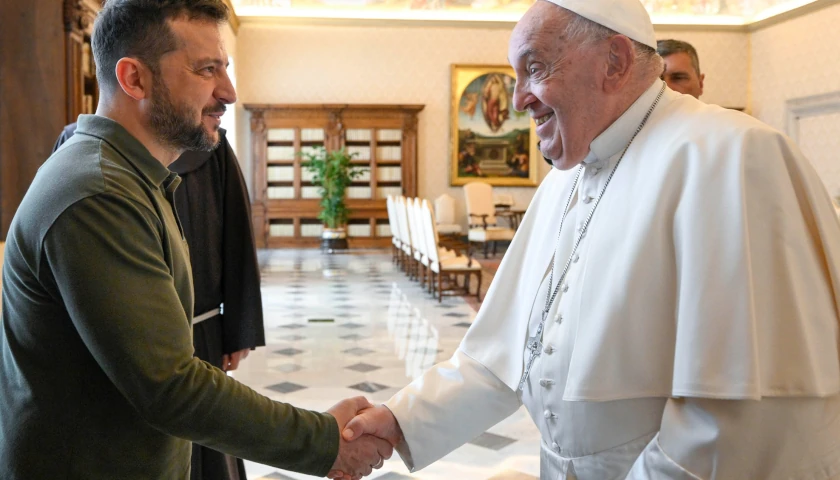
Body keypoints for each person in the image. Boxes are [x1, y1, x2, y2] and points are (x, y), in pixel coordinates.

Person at [336, 0, 840, 478]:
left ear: (614, 62)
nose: (517, 100)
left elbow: (733, 423)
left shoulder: (729, 157)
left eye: (535, 68)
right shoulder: (565, 178)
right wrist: (399, 419)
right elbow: (503, 354)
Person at [0, 1, 391, 479]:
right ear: (134, 79)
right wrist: (323, 441)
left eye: (224, 67)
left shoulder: (131, 178)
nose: (227, 91)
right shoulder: (98, 194)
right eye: (206, 70)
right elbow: (171, 386)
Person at [52, 123, 263, 480]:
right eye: (206, 70)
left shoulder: (212, 146)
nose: (224, 92)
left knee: (205, 436)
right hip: (113, 336)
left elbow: (235, 233)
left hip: (201, 329)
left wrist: (238, 329)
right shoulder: (77, 146)